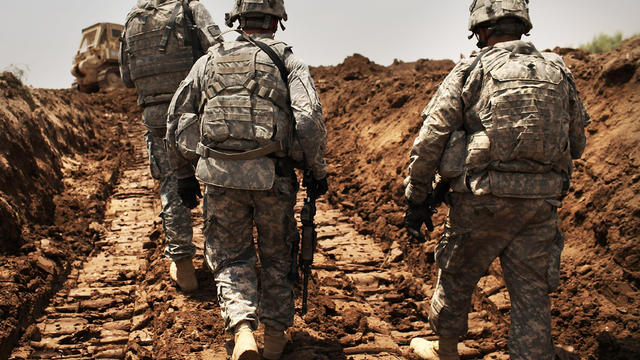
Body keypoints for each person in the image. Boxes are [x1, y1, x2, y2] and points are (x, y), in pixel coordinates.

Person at [403, 1, 588, 359]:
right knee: (532, 287)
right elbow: (577, 143)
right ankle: (532, 353)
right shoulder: (557, 70)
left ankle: (445, 349)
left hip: (482, 198)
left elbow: (432, 138)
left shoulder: (471, 69)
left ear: (480, 30)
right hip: (541, 202)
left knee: (457, 271)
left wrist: (417, 196)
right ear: (524, 26)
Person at [166, 0, 328, 359]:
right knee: (277, 255)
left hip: (220, 178)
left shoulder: (207, 61)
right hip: (273, 177)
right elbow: (308, 119)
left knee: (229, 256)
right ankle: (273, 336)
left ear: (237, 17)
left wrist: (183, 176)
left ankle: (242, 331)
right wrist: (317, 169)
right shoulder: (288, 61)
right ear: (277, 19)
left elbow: (176, 119)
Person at [119, 0, 221, 292]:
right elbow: (219, 55)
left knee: (172, 187)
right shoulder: (191, 9)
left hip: (156, 119)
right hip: (196, 114)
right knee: (214, 184)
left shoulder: (132, 19)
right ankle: (220, 257)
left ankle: (183, 264)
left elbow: (127, 78)